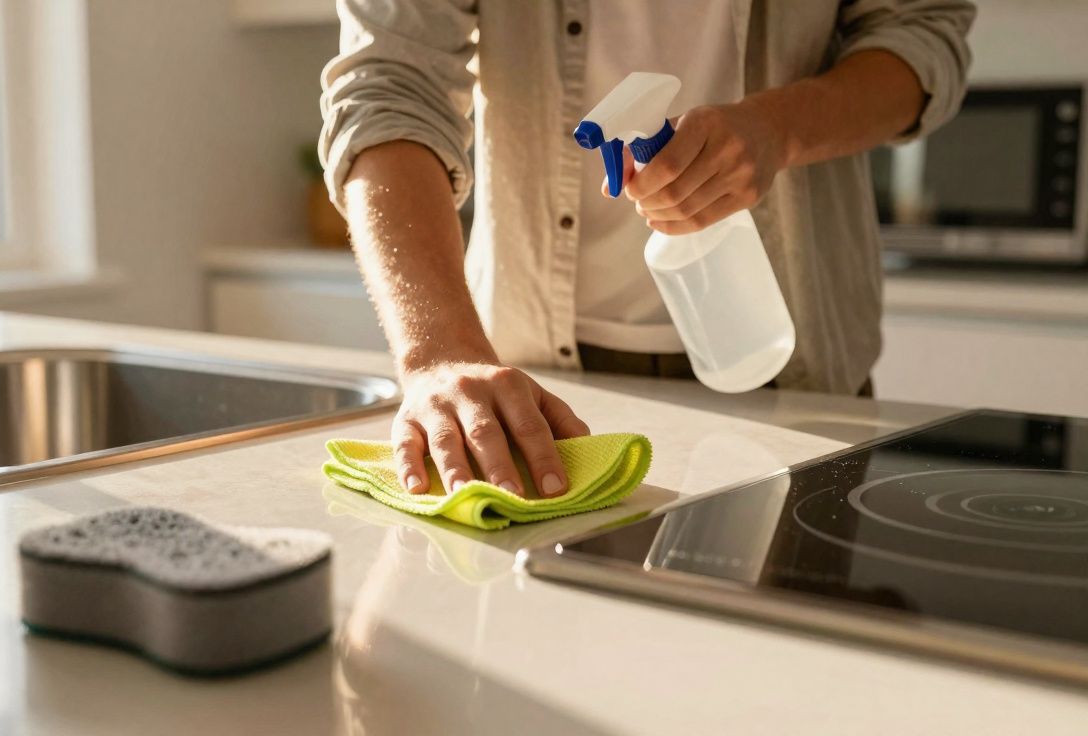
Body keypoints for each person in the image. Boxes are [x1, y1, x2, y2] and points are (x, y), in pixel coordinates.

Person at [318, 1, 974, 499]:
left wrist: (777, 130)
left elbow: (919, 34)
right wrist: (441, 353)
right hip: (538, 387)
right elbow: (388, 86)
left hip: (804, 374)